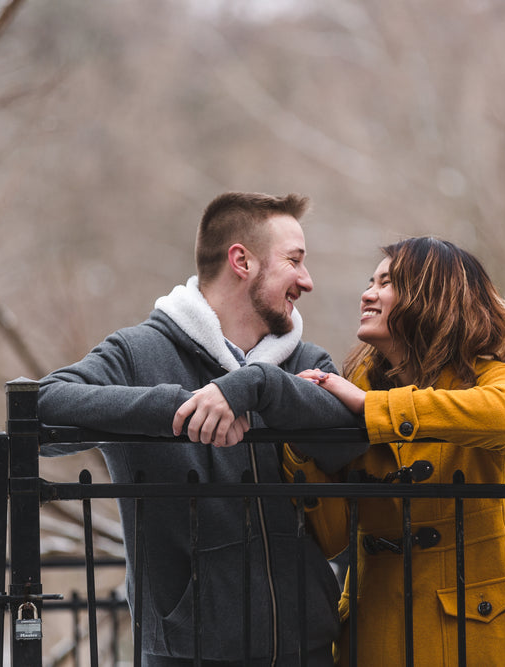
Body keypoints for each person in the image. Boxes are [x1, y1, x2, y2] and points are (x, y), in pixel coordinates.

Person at [37, 191, 361, 667]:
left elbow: (350, 440)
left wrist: (259, 385)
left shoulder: (305, 363)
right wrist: (176, 409)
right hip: (187, 654)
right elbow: (39, 409)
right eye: (294, 261)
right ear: (241, 261)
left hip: (307, 651)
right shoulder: (137, 354)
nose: (306, 281)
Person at [285, 237, 505, 666]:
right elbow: (332, 533)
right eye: (369, 282)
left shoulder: (491, 377)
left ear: (431, 298)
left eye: (387, 283)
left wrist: (373, 409)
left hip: (479, 634)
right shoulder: (355, 388)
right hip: (374, 633)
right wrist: (302, 438)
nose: (368, 293)